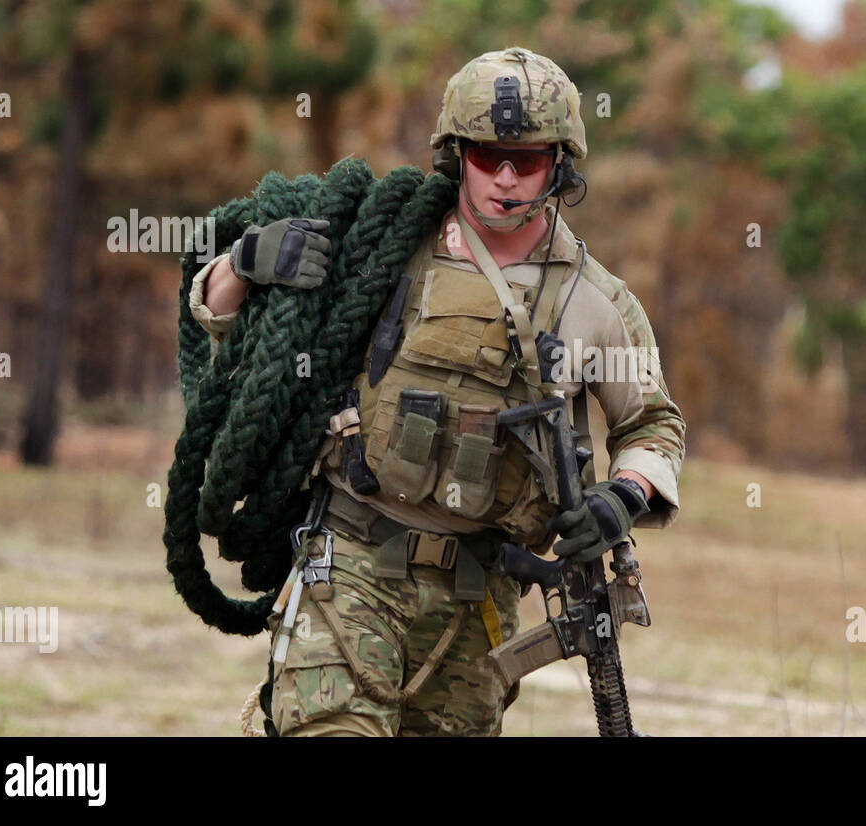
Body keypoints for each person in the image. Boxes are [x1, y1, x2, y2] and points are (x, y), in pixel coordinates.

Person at [186, 46, 685, 736]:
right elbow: (222, 316)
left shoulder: (595, 304)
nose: (505, 179)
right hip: (350, 565)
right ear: (457, 155)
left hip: (475, 605)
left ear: (561, 165)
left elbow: (654, 426)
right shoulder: (382, 246)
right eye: (486, 157)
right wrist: (246, 262)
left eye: (528, 160)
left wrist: (624, 497)